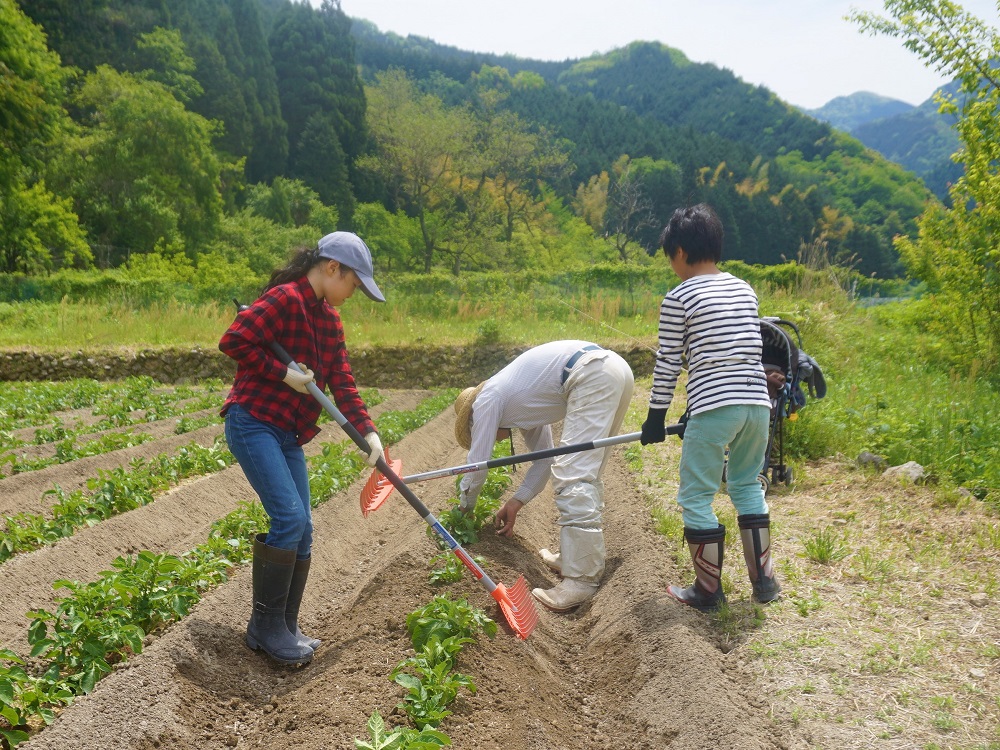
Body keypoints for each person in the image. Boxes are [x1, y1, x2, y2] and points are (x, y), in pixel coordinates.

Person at [220, 231, 385, 665]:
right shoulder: (284, 299)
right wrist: (282, 373)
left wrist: (368, 432)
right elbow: (233, 341)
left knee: (305, 528)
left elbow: (342, 383)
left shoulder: (329, 322)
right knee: (289, 517)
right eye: (354, 283)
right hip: (252, 421)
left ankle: (284, 626)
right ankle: (265, 627)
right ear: (333, 268)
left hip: (288, 433)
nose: (353, 293)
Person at [640, 203, 780, 612]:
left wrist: (655, 417)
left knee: (697, 495)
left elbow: (668, 361)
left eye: (670, 257)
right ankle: (765, 582)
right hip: (757, 404)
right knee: (745, 485)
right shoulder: (744, 288)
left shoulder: (679, 296)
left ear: (680, 251)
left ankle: (706, 591)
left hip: (716, 406)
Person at [453, 341, 634, 611]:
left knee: (573, 474)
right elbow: (544, 458)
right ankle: (574, 558)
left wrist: (464, 509)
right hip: (613, 368)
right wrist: (517, 502)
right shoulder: (521, 402)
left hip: (591, 373)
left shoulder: (487, 399)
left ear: (472, 420)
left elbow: (477, 464)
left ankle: (581, 581)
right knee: (589, 471)